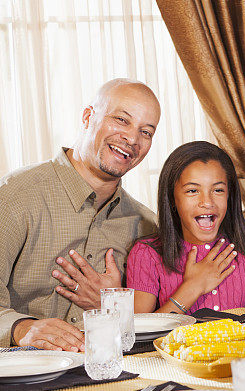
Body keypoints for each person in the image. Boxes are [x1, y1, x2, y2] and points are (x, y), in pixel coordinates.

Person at [0, 79, 160, 350]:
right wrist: (21, 327)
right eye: (121, 120)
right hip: (22, 375)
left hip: (114, 373)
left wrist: (112, 306)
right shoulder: (15, 196)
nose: (132, 139)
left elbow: (153, 320)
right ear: (88, 117)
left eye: (146, 132)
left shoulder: (145, 224)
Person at [126, 141, 245, 314]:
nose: (207, 202)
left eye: (218, 190)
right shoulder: (147, 254)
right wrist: (193, 287)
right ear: (172, 198)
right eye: (192, 191)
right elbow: (139, 333)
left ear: (229, 195)